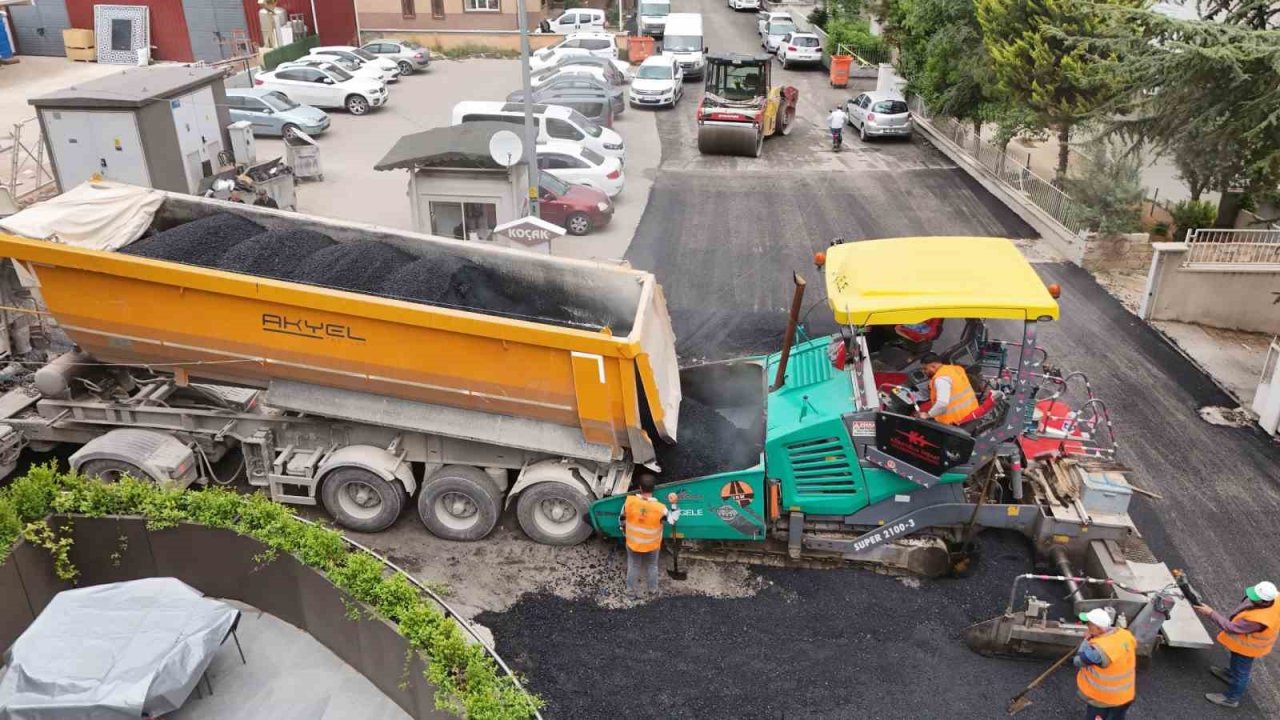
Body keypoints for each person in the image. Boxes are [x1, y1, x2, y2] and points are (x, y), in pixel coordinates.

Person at [1195, 580, 1280, 708]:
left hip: (1247, 648)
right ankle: (1230, 675)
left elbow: (1230, 627)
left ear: (1265, 601)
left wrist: (1210, 613)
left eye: (1255, 598)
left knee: (1241, 672)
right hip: (1245, 643)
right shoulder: (1276, 596)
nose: (1251, 598)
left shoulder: (1257, 620)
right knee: (1236, 663)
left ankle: (1231, 699)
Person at [618, 473, 678, 597]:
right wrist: (674, 503)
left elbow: (621, 519)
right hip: (652, 545)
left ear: (640, 487)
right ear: (654, 488)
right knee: (652, 566)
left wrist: (622, 529)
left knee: (633, 566)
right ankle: (653, 590)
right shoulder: (660, 508)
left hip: (633, 543)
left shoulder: (629, 501)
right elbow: (673, 520)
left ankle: (630, 592)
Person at [1074, 607, 1137, 720]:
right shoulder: (1125, 635)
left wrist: (1086, 640)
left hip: (1103, 700)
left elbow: (1078, 661)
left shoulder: (1098, 651)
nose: (1087, 626)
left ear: (1098, 628)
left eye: (1089, 624)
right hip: (1125, 697)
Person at [916, 351, 978, 425]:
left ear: (933, 366)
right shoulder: (956, 369)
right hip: (972, 414)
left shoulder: (941, 379)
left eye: (925, 369)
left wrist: (928, 415)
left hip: (955, 422)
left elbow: (942, 403)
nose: (923, 372)